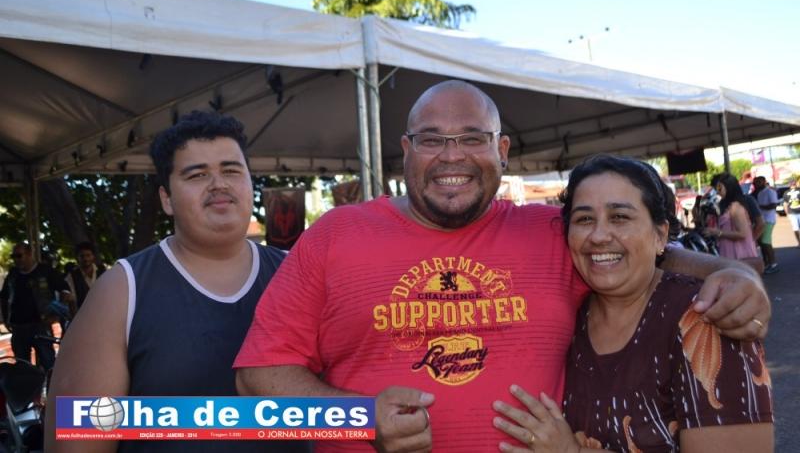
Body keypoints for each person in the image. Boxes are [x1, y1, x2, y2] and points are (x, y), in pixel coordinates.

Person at [235, 80, 770, 452]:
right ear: (406, 149)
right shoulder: (334, 236)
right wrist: (359, 419)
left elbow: (635, 252)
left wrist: (733, 275)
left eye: (473, 138)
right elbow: (255, 382)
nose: (452, 155)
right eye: (431, 139)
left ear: (503, 149)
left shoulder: (552, 230)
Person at [44, 111, 308, 453]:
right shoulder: (123, 290)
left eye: (231, 170)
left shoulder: (298, 273)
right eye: (197, 175)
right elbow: (78, 439)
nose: (219, 184)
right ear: (166, 199)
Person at [492, 155, 773, 452]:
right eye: (584, 219)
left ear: (660, 234)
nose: (599, 236)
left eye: (620, 217)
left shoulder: (705, 318)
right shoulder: (568, 318)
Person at [0, 242, 70, 371]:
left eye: (19, 256)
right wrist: (5, 319)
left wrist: (57, 313)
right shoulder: (13, 274)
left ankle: (50, 384)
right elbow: (4, 297)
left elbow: (65, 290)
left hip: (40, 325)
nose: (16, 259)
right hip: (18, 326)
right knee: (22, 366)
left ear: (29, 254)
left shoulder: (45, 271)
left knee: (48, 363)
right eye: (13, 256)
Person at [703, 173, 761, 270]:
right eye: (716, 189)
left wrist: (718, 232)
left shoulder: (735, 207)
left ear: (729, 187)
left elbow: (742, 234)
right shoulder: (726, 205)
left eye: (719, 188)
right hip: (732, 255)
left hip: (739, 255)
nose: (717, 192)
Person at [63, 241, 106, 313]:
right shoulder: (71, 277)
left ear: (93, 256)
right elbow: (72, 302)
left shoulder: (102, 272)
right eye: (82, 256)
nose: (86, 259)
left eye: (88, 255)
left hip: (104, 312)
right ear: (77, 258)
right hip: (83, 314)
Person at [753, 176, 779, 274]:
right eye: (755, 182)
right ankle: (767, 262)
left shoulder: (770, 192)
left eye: (759, 182)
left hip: (769, 220)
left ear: (764, 182)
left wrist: (760, 207)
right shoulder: (759, 193)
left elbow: (774, 205)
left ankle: (773, 264)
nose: (756, 184)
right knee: (761, 242)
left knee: (765, 241)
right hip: (762, 220)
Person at [783, 179, 800, 246]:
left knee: (796, 228)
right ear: (789, 184)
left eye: (794, 183)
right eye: (792, 184)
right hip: (792, 213)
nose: (793, 185)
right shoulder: (786, 192)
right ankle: (799, 242)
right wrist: (787, 214)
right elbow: (785, 204)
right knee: (795, 228)